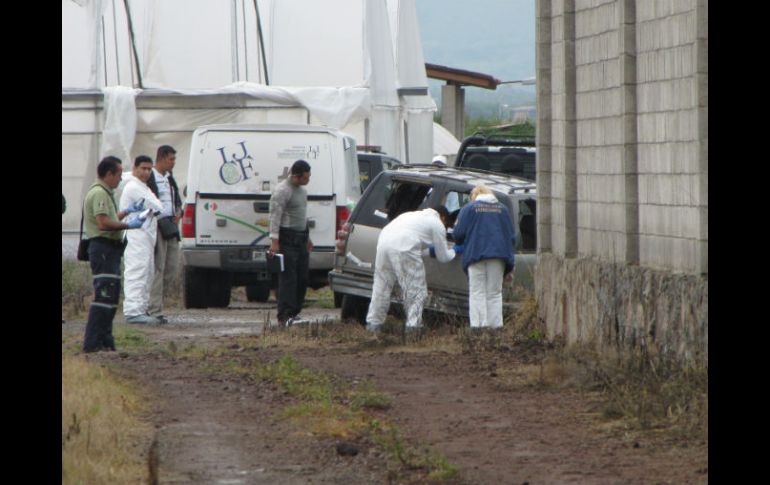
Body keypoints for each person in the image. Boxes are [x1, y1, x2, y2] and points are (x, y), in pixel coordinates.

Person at [82, 156, 146, 353]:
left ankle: (105, 341)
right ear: (109, 174)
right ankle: (93, 343)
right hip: (103, 249)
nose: (120, 179)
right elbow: (103, 223)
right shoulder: (99, 193)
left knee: (111, 297)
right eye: (118, 174)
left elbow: (108, 218)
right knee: (104, 296)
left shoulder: (105, 192)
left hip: (109, 250)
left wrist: (125, 212)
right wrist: (128, 225)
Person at [365, 206, 457, 333]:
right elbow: (443, 257)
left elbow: (413, 244)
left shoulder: (411, 215)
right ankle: (413, 327)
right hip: (404, 244)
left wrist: (429, 251)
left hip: (384, 242)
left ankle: (373, 325)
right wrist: (455, 251)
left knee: (382, 287)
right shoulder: (437, 223)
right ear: (443, 217)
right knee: (417, 291)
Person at [452, 185, 516, 329]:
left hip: (476, 255)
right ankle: (496, 327)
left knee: (477, 292)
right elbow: (511, 236)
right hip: (498, 257)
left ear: (474, 196)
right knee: (494, 293)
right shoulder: (503, 209)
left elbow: (458, 234)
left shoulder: (469, 208)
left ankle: (479, 327)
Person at [269, 160, 314, 326]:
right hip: (287, 238)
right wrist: (274, 241)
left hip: (301, 237)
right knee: (289, 278)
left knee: (302, 277)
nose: (308, 180)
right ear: (296, 176)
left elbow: (302, 215)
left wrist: (308, 238)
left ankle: (294, 312)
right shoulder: (282, 190)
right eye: (306, 177)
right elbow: (274, 216)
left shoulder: (302, 191)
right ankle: (284, 315)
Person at [120, 155, 164, 324]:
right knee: (136, 272)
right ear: (135, 168)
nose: (146, 172)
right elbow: (158, 207)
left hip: (146, 237)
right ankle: (133, 312)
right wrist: (154, 208)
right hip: (136, 236)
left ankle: (141, 309)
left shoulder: (143, 187)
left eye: (149, 169)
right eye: (143, 168)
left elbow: (157, 206)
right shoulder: (134, 187)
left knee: (147, 272)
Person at [147, 145, 183, 324]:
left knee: (171, 268)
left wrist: (179, 211)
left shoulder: (170, 178)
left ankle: (156, 303)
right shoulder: (151, 177)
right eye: (171, 159)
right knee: (159, 266)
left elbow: (175, 198)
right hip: (159, 225)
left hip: (172, 224)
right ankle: (154, 309)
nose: (173, 163)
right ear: (161, 158)